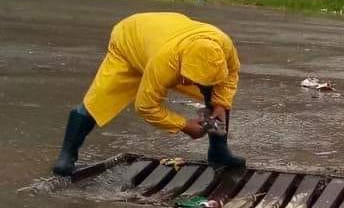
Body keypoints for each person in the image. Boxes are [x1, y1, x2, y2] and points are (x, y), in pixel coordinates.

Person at [52, 12, 244, 176]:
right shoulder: (164, 63)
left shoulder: (224, 46)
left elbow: (231, 75)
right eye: (195, 80)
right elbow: (146, 106)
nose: (198, 86)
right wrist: (184, 125)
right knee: (99, 99)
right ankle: (66, 156)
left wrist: (220, 104)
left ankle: (219, 152)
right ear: (182, 65)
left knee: (218, 95)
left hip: (161, 35)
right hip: (129, 40)